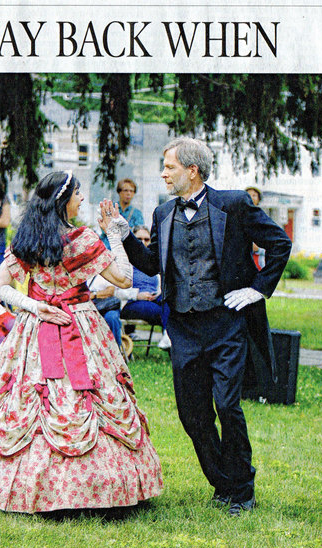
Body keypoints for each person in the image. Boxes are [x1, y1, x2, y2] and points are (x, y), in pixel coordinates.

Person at [0, 170, 163, 513]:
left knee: (27, 399)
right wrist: (115, 235)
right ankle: (91, 488)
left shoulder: (28, 238)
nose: (81, 200)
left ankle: (18, 484)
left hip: (36, 324)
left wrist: (34, 306)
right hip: (77, 321)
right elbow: (125, 276)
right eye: (77, 194)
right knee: (77, 398)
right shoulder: (82, 240)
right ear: (63, 200)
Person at [105, 137, 291, 516]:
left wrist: (258, 290)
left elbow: (280, 243)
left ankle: (241, 489)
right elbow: (153, 265)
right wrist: (122, 233)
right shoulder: (162, 213)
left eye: (169, 166)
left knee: (226, 404)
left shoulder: (235, 204)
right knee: (193, 415)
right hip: (185, 329)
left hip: (226, 324)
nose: (163, 173)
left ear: (192, 171)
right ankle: (224, 484)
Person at [119, 225, 171, 349]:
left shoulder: (153, 261)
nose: (143, 243)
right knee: (161, 312)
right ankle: (168, 338)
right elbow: (116, 290)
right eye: (139, 239)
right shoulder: (124, 261)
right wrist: (137, 295)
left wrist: (158, 294)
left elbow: (160, 285)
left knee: (172, 302)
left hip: (153, 298)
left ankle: (168, 339)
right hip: (131, 302)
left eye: (146, 240)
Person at [246, 187, 266, 269]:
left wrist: (258, 248)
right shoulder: (237, 216)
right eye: (248, 195)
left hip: (258, 260)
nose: (251, 198)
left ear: (258, 199)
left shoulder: (263, 218)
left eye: (254, 195)